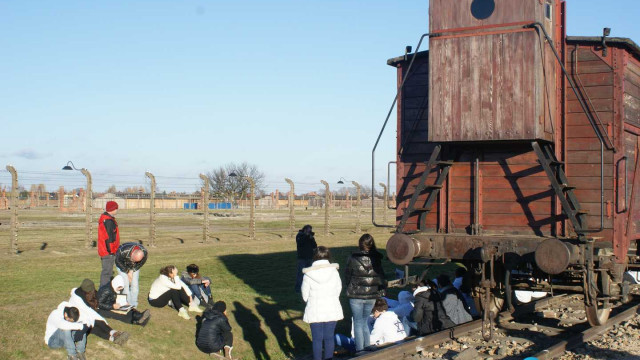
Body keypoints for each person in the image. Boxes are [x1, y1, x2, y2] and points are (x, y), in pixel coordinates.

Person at [345, 233, 385, 351]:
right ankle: (367, 345)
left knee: (358, 322)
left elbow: (347, 275)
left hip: (355, 294)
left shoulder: (352, 258)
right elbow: (381, 275)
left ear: (359, 244)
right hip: (371, 294)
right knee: (364, 320)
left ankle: (359, 349)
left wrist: (349, 286)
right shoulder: (377, 259)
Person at [301, 246, 343, 360]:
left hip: (315, 310)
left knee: (317, 339)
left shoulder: (308, 275)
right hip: (331, 308)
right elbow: (338, 290)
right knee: (329, 338)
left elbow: (305, 296)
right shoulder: (334, 272)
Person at [69, 279, 129, 345]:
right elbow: (88, 312)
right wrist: (100, 319)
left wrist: (121, 303)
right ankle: (113, 338)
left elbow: (95, 305)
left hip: (86, 314)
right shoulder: (77, 299)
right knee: (93, 328)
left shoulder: (87, 292)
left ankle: (114, 333)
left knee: (98, 321)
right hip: (77, 318)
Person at [115, 242, 148, 308]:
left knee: (135, 284)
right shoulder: (122, 251)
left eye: (137, 261)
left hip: (134, 267)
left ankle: (134, 304)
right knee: (126, 284)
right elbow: (117, 261)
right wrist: (127, 271)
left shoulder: (144, 253)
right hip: (122, 264)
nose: (134, 262)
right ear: (132, 254)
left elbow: (140, 264)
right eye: (133, 260)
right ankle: (128, 304)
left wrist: (132, 271)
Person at [98, 201, 120, 288]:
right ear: (112, 209)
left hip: (106, 250)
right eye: (116, 208)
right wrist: (112, 251)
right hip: (108, 251)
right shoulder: (108, 221)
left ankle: (105, 290)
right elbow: (109, 238)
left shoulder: (107, 219)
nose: (117, 210)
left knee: (108, 272)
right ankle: (103, 291)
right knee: (107, 273)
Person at [295, 224, 317, 293]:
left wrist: (311, 238)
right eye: (308, 230)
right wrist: (305, 236)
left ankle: (308, 287)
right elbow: (300, 243)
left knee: (309, 273)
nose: (309, 232)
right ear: (304, 230)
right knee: (300, 274)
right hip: (302, 257)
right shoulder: (299, 235)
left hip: (310, 257)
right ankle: (298, 288)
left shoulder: (310, 236)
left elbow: (314, 245)